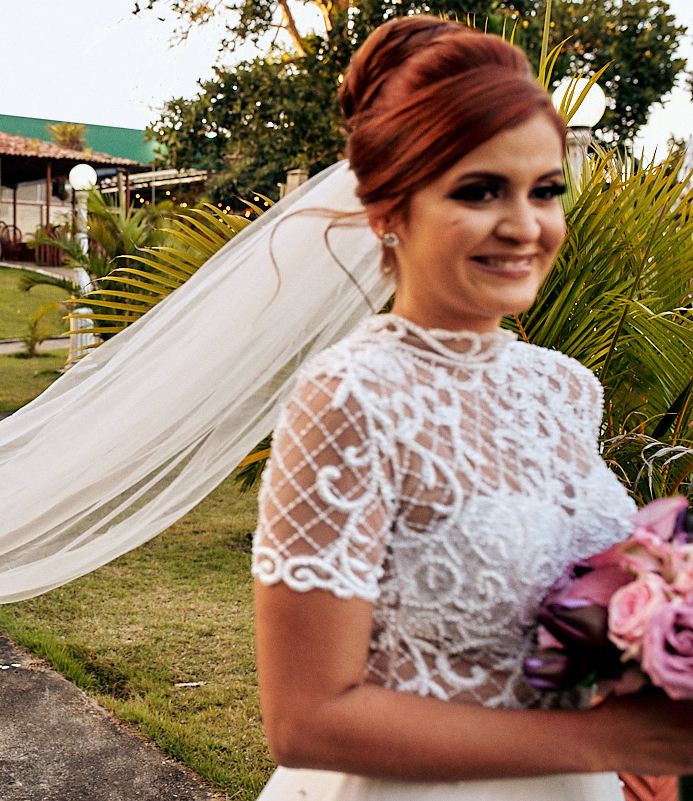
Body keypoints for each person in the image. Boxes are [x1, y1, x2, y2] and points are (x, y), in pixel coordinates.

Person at [251, 16, 693, 801]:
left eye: (545, 189)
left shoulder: (563, 387)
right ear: (390, 208)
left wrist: (643, 700)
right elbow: (305, 718)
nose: (525, 226)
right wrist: (604, 737)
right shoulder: (350, 399)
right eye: (480, 190)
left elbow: (562, 618)